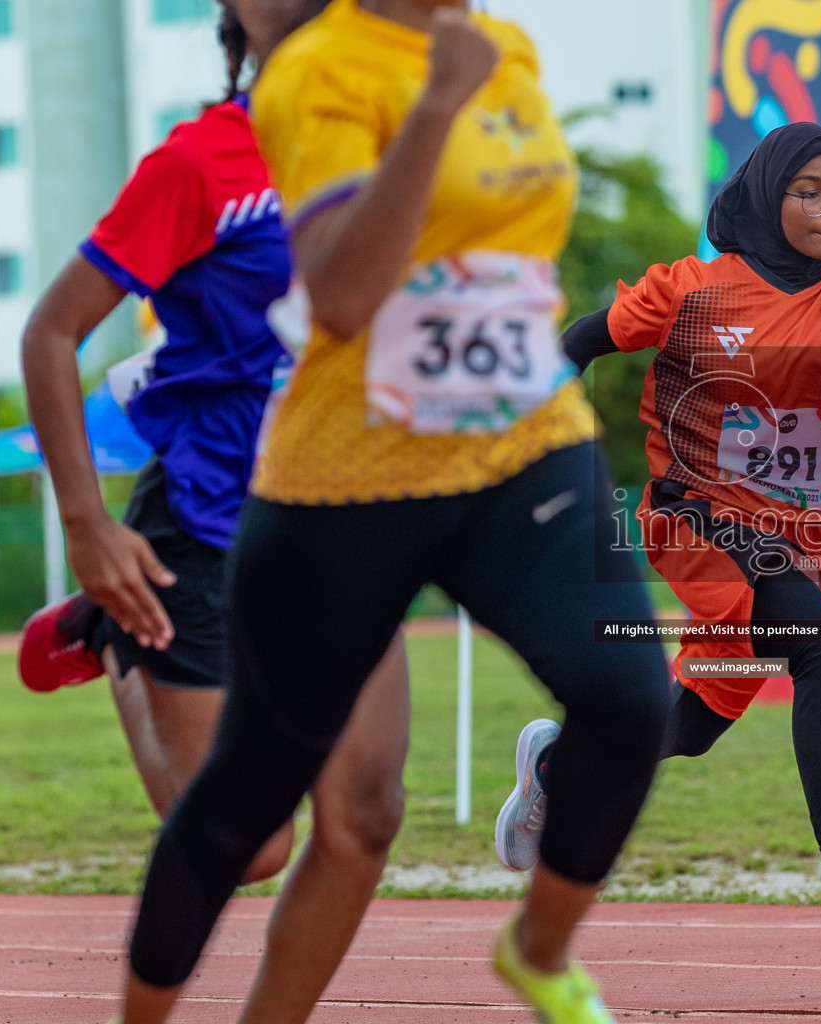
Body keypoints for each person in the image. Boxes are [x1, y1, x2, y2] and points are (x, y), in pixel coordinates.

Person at [114, 2, 671, 1023]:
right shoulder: (317, 70)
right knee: (245, 801)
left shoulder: (507, 47)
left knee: (631, 695)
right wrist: (437, 101)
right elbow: (340, 292)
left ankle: (538, 950)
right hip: (347, 479)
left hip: (518, 444)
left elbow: (508, 240)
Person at [18, 4, 414, 1023]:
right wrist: (83, 526)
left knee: (366, 815)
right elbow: (51, 332)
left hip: (349, 522)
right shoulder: (199, 163)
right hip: (204, 523)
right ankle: (113, 636)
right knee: (254, 842)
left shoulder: (399, 142)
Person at [494, 122, 821, 961]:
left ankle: (561, 766)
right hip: (693, 514)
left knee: (695, 721)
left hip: (798, 536)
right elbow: (580, 343)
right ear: (766, 193)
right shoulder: (693, 289)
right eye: (808, 190)